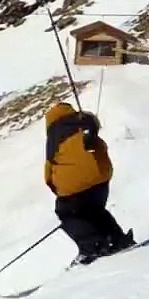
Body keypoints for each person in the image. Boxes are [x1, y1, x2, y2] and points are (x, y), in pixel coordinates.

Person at [44, 102, 134, 264]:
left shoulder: (54, 133)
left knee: (67, 213)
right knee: (94, 211)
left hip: (75, 184)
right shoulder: (84, 122)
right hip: (101, 177)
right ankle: (117, 240)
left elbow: (49, 167)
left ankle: (93, 247)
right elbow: (94, 126)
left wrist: (55, 187)